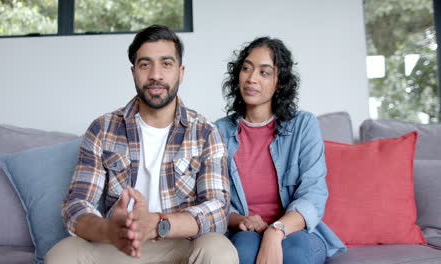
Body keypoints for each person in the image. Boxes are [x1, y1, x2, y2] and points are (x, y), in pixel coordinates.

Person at [46, 25, 238, 264]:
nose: (155, 75)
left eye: (166, 64)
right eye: (145, 64)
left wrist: (158, 223)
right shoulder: (102, 128)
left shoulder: (205, 132)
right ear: (133, 71)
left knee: (219, 249)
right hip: (117, 245)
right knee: (62, 254)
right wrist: (109, 230)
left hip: (177, 244)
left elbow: (218, 210)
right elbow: (76, 204)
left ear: (181, 72)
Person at [215, 37, 346, 264]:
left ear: (279, 82)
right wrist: (241, 220)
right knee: (244, 252)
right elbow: (214, 200)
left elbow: (313, 194)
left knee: (295, 253)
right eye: (247, 68)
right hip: (244, 232)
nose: (252, 78)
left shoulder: (303, 125)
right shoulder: (219, 131)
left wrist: (275, 231)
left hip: (296, 232)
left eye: (264, 72)